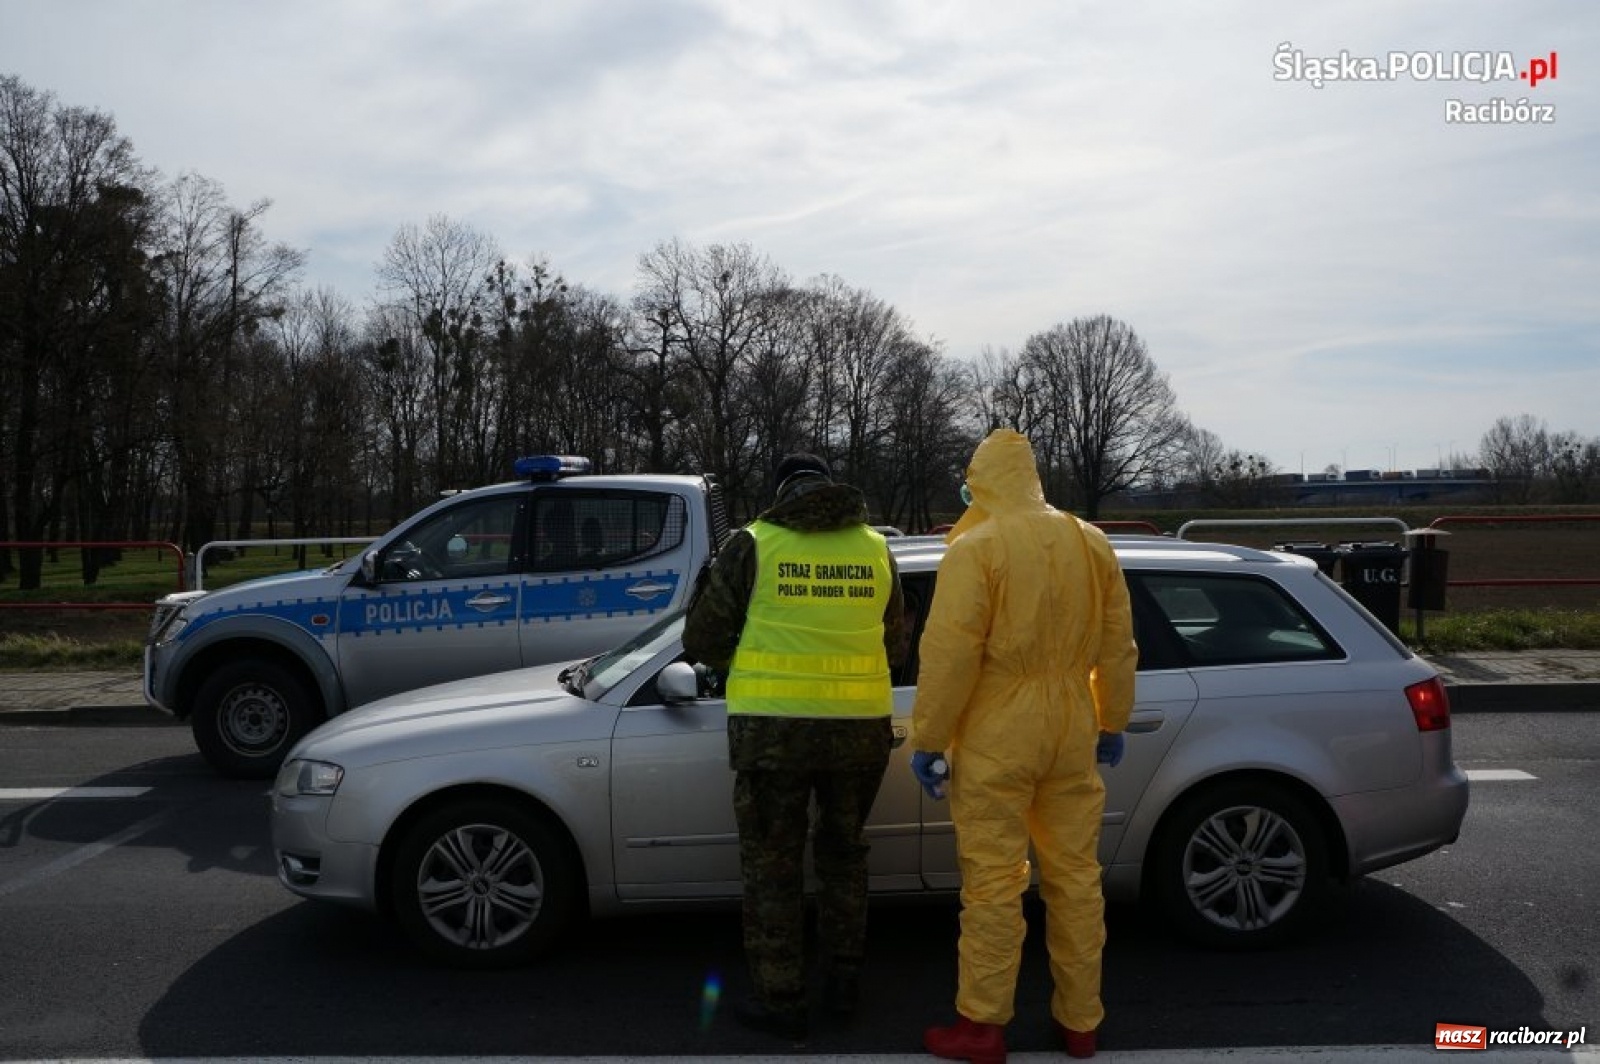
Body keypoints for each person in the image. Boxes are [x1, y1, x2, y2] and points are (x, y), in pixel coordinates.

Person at [910, 428, 1137, 1062]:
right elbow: (1118, 642)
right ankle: (1081, 1023)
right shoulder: (1089, 541)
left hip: (998, 731)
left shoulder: (976, 548)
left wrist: (929, 738)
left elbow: (951, 654)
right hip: (1071, 723)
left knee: (993, 883)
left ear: (980, 482)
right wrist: (1112, 719)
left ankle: (982, 1027)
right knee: (1075, 878)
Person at [684, 452, 908, 1043]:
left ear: (782, 492)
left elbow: (702, 639)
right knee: (844, 857)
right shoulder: (877, 549)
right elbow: (896, 644)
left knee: (773, 867)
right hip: (860, 730)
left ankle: (783, 1000)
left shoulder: (754, 544)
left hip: (773, 733)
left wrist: (745, 662)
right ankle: (844, 985)